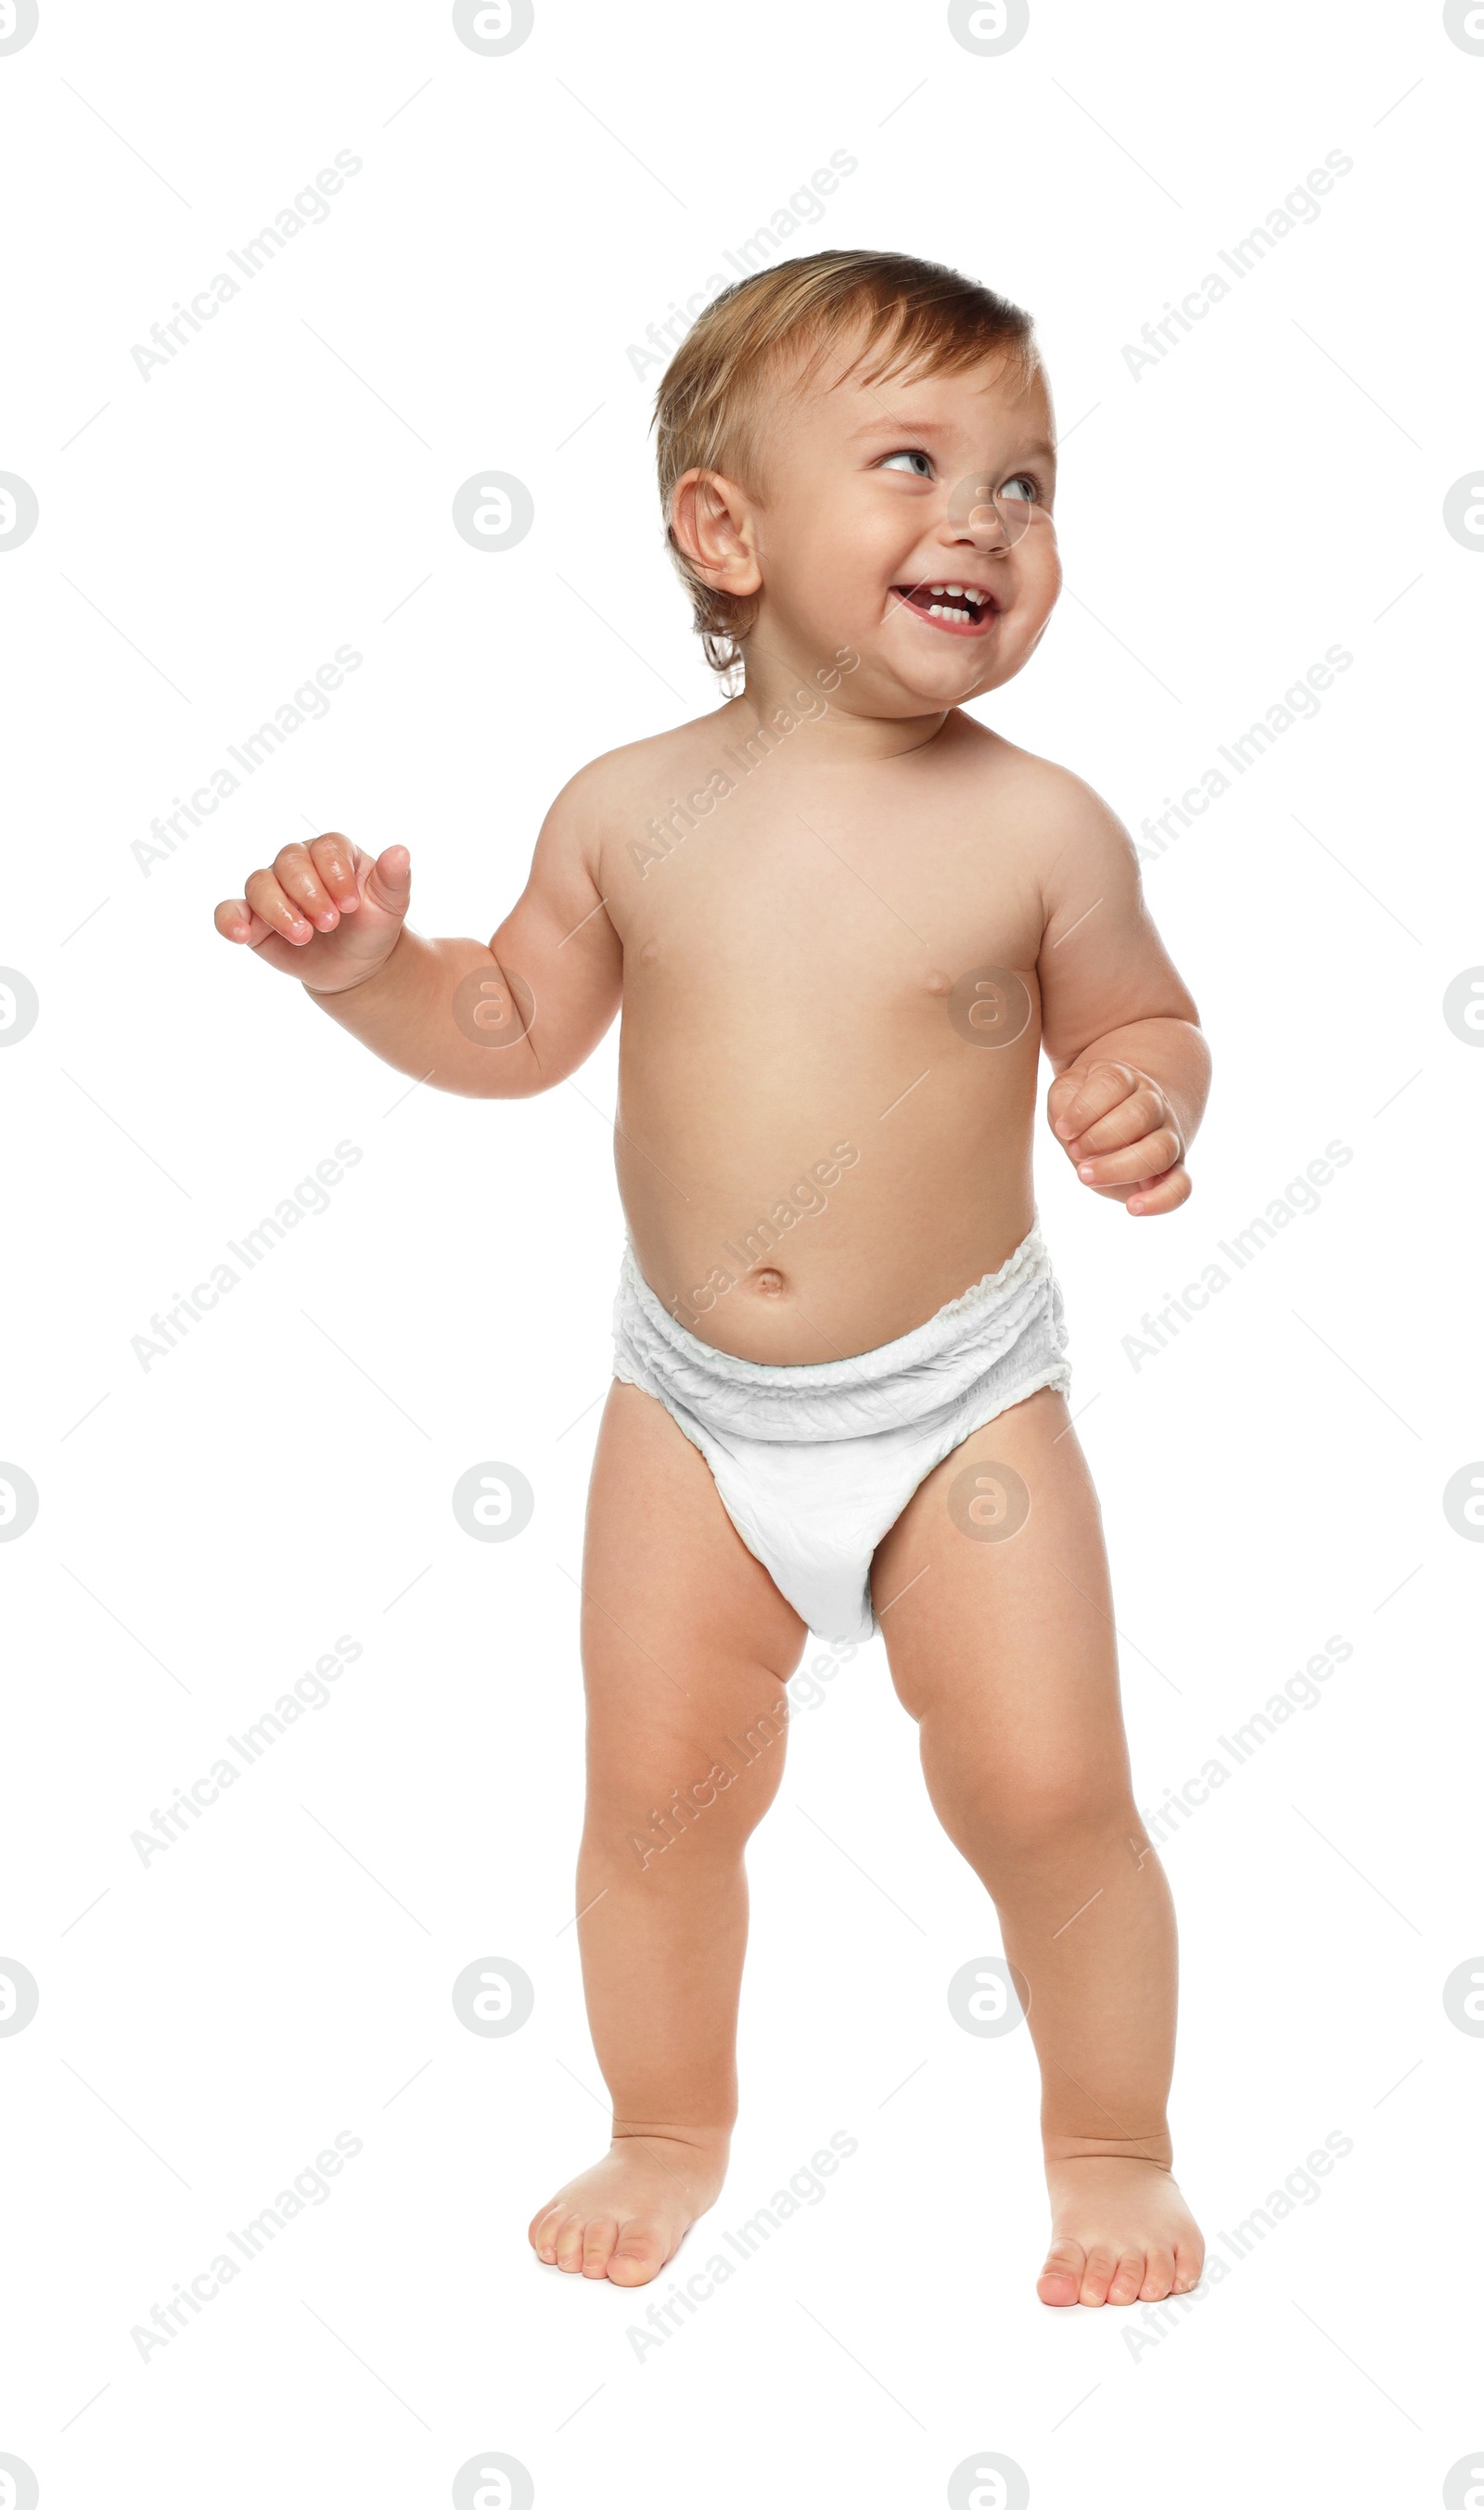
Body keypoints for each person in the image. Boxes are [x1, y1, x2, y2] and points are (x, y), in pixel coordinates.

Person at [214, 250, 1209, 2309]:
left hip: (957, 1411)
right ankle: (663, 2121)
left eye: (1027, 481)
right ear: (723, 531)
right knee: (654, 1799)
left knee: (1047, 1789)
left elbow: (1141, 1013)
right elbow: (507, 1031)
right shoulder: (625, 809)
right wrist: (369, 975)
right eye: (917, 462)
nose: (987, 520)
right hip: (686, 1410)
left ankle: (1109, 2142)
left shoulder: (1041, 828)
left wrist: (1134, 1089)